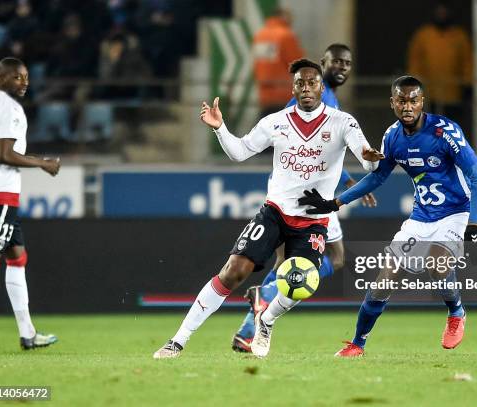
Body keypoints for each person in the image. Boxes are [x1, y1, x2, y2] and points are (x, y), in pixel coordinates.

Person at [153, 59, 383, 359]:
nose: (306, 88)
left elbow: (366, 159)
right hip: (275, 211)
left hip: (313, 219)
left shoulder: (343, 122)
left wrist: (371, 159)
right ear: (294, 88)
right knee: (234, 271)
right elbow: (239, 152)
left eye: (312, 83)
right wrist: (220, 128)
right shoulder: (276, 122)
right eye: (300, 83)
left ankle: (267, 320)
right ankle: (177, 341)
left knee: (302, 282)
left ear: (321, 87)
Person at [298, 75, 477, 357]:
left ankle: (456, 313)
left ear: (422, 102)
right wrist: (334, 203)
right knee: (384, 279)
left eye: (413, 100)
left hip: (456, 213)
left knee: (438, 263)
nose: (407, 106)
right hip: (421, 217)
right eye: (401, 100)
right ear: (393, 103)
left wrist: (474, 222)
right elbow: (376, 178)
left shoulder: (445, 131)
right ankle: (357, 344)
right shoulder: (392, 137)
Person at [231, 43, 377, 353]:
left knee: (286, 263)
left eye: (347, 63)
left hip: (308, 192)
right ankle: (263, 302)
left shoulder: (329, 101)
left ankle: (248, 329)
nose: (341, 67)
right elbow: (304, 149)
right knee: (334, 257)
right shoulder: (311, 99)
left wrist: (350, 179)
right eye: (335, 61)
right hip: (303, 195)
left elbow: (326, 151)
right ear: (322, 65)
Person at [0, 57, 61, 350]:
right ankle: (27, 334)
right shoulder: (11, 108)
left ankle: (27, 334)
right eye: (18, 77)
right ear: (1, 77)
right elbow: (5, 153)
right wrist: (43, 163)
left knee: (17, 257)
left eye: (26, 77)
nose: (25, 83)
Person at [407, 2, 473, 134]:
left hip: (453, 94)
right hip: (429, 95)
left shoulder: (459, 36)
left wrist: (467, 84)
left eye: (444, 12)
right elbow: (415, 61)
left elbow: (467, 62)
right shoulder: (423, 36)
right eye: (439, 12)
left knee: (450, 129)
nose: (441, 15)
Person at [252, 7, 304, 119]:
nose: (292, 20)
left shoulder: (260, 35)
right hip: (284, 93)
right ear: (283, 17)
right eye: (290, 17)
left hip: (264, 94)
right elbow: (298, 63)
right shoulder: (286, 36)